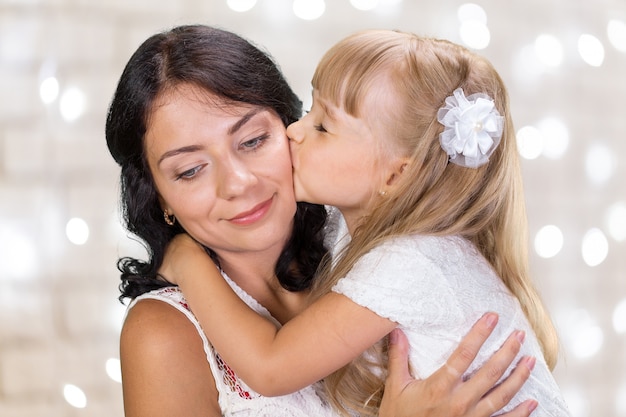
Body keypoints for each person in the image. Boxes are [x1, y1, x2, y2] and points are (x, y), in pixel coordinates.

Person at [106, 24, 535, 417]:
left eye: (254, 140)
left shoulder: (374, 249)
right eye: (191, 170)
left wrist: (185, 258)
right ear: (158, 194)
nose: (237, 183)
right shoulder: (164, 335)